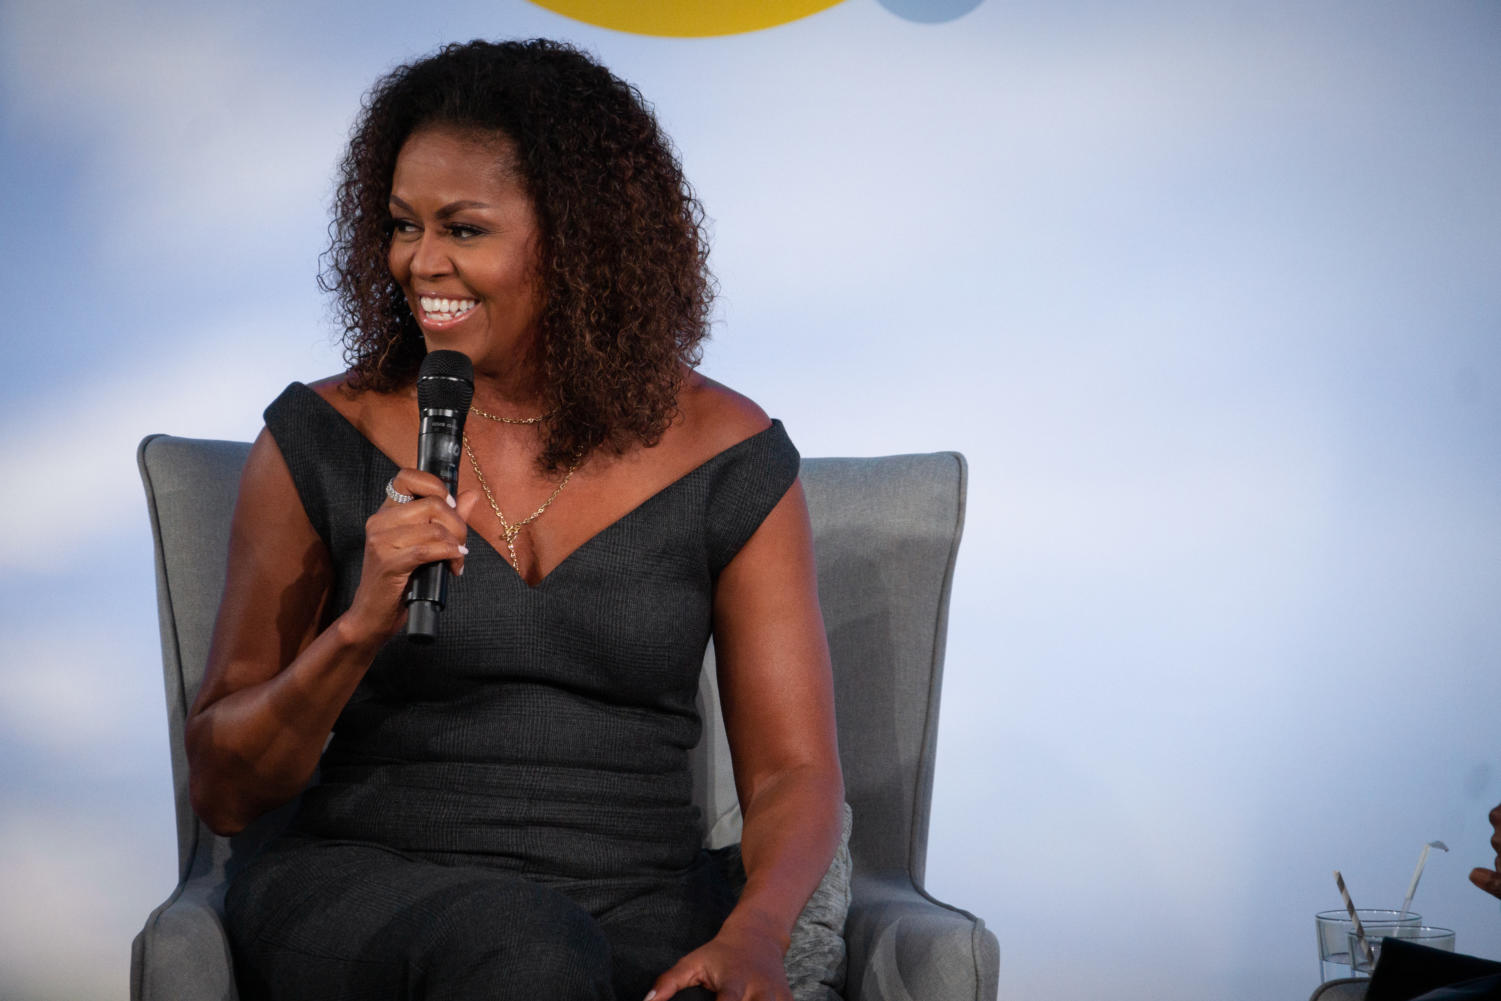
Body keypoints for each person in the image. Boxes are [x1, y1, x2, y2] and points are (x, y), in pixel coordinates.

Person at [185, 39, 844, 1001]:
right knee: (523, 946)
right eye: (403, 225)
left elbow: (793, 773)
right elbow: (225, 788)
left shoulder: (722, 450)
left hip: (638, 903)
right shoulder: (320, 437)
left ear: (577, 240)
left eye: (464, 229)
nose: (422, 263)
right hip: (368, 892)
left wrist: (754, 934)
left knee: (557, 952)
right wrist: (358, 625)